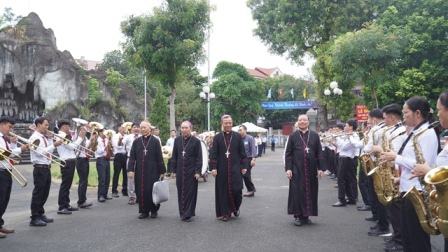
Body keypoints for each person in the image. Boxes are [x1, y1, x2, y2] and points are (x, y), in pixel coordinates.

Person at [380, 96, 439, 252]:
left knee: (418, 239)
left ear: (417, 113)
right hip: (409, 188)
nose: (403, 116)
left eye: (406, 112)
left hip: (419, 191)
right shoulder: (417, 132)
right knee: (408, 238)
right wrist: (401, 178)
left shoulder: (426, 134)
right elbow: (413, 161)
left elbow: (423, 166)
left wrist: (396, 158)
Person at [284, 115, 324, 226]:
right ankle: (298, 216)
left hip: (311, 169)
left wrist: (320, 168)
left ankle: (306, 216)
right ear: (297, 122)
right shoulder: (293, 136)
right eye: (300, 120)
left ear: (308, 122)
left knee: (310, 191)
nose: (302, 122)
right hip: (297, 168)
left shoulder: (315, 135)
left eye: (304, 120)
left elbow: (319, 153)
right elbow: (288, 154)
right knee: (297, 191)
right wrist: (288, 169)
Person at [209, 115, 248, 221]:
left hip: (235, 167)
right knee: (223, 191)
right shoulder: (217, 137)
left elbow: (242, 153)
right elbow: (214, 154)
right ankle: (226, 213)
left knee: (237, 189)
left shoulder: (237, 136)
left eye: (230, 123)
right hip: (221, 169)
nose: (228, 125)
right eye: (226, 123)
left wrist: (244, 166)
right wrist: (213, 168)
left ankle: (235, 207)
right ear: (222, 124)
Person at [128, 121, 166, 219]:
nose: (143, 129)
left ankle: (154, 210)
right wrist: (130, 169)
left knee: (152, 190)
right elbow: (132, 156)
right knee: (141, 190)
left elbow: (159, 157)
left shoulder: (155, 141)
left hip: (153, 170)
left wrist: (162, 171)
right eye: (141, 128)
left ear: (150, 129)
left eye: (145, 127)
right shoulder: (136, 142)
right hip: (140, 170)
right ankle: (144, 211)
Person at [29, 117, 63, 226]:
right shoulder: (34, 137)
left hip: (46, 167)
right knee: (38, 193)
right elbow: (39, 153)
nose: (47, 127)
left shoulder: (43, 137)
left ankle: (40, 213)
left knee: (45, 193)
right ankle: (34, 217)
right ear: (38, 125)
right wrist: (53, 144)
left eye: (48, 125)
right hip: (39, 167)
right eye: (45, 125)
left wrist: (50, 140)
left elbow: (49, 151)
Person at [0, 116, 28, 237]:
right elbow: (3, 154)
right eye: (9, 127)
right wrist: (20, 149)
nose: (11, 130)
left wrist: (13, 144)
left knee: (5, 199)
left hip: (7, 170)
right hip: (0, 170)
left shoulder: (4, 139)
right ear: (1, 124)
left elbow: (8, 154)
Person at [169, 121, 203, 222]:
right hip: (180, 170)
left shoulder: (196, 141)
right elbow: (174, 156)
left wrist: (198, 172)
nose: (184, 130)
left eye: (186, 128)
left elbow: (199, 158)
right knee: (181, 191)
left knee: (190, 192)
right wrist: (173, 170)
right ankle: (182, 212)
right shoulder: (177, 140)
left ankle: (188, 213)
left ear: (190, 129)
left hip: (191, 170)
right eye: (182, 128)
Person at [55, 119, 85, 215]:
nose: (69, 128)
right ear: (63, 126)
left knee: (68, 185)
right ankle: (62, 206)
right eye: (68, 126)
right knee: (65, 185)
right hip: (66, 161)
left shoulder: (65, 136)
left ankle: (66, 204)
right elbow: (71, 147)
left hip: (70, 161)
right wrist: (80, 138)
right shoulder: (61, 136)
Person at [73, 123, 93, 209]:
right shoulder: (77, 138)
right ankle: (81, 201)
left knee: (84, 180)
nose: (85, 131)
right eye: (83, 130)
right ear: (79, 131)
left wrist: (91, 139)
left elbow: (86, 146)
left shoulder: (84, 138)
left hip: (85, 159)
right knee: (83, 180)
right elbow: (78, 147)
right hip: (80, 160)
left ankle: (83, 200)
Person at [93, 128, 112, 202]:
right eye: (105, 132)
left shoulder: (107, 140)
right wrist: (106, 146)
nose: (106, 134)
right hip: (100, 159)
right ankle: (100, 195)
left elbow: (109, 150)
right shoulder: (97, 141)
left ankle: (105, 194)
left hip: (107, 159)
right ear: (100, 132)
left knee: (107, 177)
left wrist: (110, 148)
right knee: (102, 178)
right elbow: (99, 151)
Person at [238, 125, 257, 197]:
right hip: (240, 160)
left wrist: (253, 159)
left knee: (246, 174)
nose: (239, 131)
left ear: (245, 130)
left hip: (248, 159)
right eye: (238, 130)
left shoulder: (250, 138)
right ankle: (250, 189)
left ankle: (251, 189)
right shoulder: (238, 139)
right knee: (243, 175)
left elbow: (253, 149)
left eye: (241, 130)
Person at [123, 122, 140, 205]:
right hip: (130, 159)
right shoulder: (128, 137)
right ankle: (132, 197)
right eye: (134, 127)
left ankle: (139, 196)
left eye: (137, 127)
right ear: (132, 128)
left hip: (140, 160)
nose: (136, 129)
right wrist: (119, 140)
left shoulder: (142, 137)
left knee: (140, 178)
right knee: (130, 178)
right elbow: (120, 144)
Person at [111, 125, 128, 197]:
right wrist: (120, 140)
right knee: (116, 173)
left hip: (125, 155)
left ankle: (125, 190)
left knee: (125, 173)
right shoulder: (115, 136)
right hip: (118, 155)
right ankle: (114, 190)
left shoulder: (127, 136)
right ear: (118, 128)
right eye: (122, 128)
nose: (124, 129)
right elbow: (117, 146)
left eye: (124, 128)